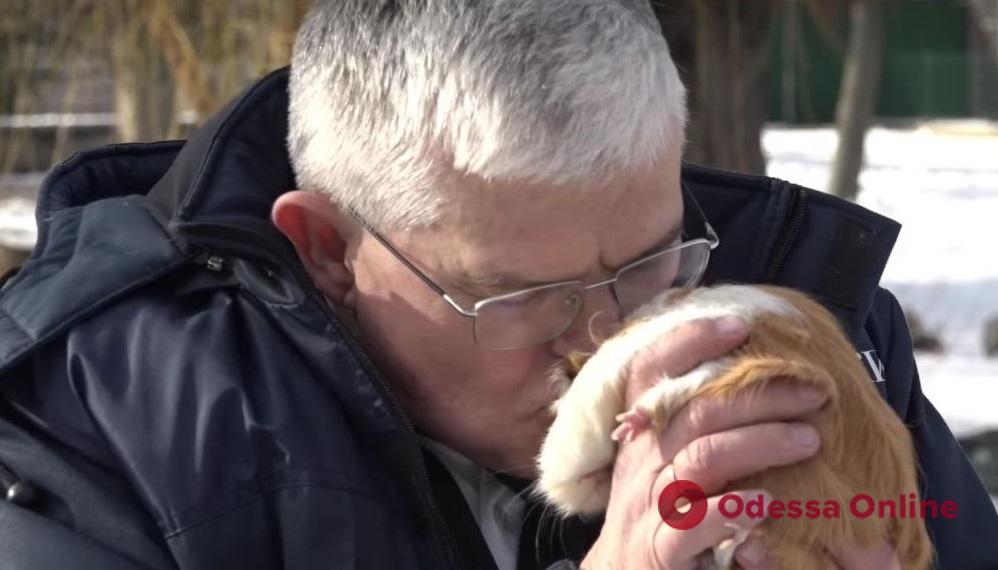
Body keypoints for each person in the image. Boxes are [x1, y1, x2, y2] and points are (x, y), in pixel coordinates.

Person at [0, 1, 995, 568]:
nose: (608, 338)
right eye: (521, 294)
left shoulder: (799, 326)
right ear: (327, 252)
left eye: (648, 260)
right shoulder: (89, 430)